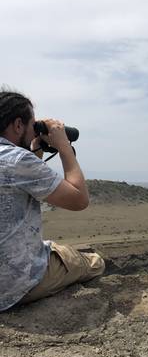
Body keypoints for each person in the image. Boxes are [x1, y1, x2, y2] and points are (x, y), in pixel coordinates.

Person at [0, 89, 105, 311]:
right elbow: (78, 200)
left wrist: (34, 149)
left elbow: (21, 184)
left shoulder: (16, 161)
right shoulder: (17, 160)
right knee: (95, 263)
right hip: (11, 285)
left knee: (52, 246)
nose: (32, 131)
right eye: (31, 126)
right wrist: (64, 146)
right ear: (18, 125)